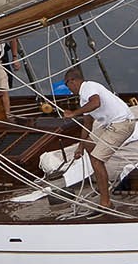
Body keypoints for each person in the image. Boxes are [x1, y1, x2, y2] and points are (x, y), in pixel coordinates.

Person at [57, 65, 133, 208]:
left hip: (121, 124)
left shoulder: (88, 87)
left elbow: (96, 103)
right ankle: (102, 182)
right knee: (88, 143)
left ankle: (106, 202)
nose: (69, 89)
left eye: (68, 85)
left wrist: (74, 113)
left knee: (97, 160)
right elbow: (87, 124)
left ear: (72, 81)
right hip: (110, 125)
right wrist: (80, 147)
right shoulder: (83, 98)